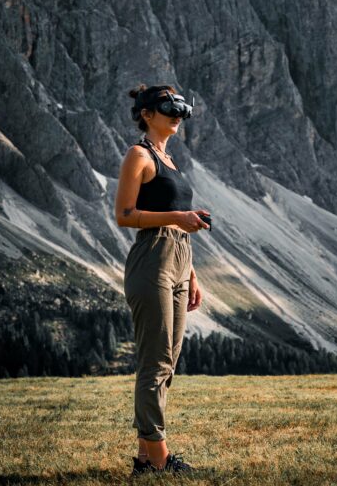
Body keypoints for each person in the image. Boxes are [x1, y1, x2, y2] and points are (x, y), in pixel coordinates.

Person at [114, 83, 210, 475]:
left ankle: (143, 460)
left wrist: (192, 273)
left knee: (168, 362)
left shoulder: (171, 162)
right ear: (147, 113)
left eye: (180, 108)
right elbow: (124, 214)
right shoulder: (139, 155)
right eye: (167, 107)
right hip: (151, 260)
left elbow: (180, 222)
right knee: (154, 362)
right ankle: (160, 458)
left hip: (178, 263)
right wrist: (176, 219)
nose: (176, 114)